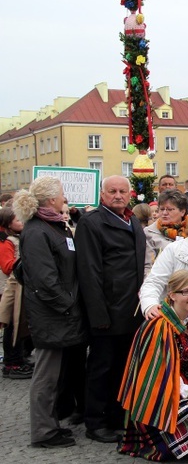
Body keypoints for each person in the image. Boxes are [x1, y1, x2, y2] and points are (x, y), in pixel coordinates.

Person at [118, 270, 188, 460]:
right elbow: (158, 372)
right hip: (159, 388)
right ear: (172, 295)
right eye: (186, 292)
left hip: (187, 379)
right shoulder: (159, 325)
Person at [13, 177, 87, 448]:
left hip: (59, 313)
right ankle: (43, 431)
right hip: (53, 314)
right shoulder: (37, 231)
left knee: (55, 374)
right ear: (52, 199)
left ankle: (51, 423)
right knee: (46, 375)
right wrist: (68, 306)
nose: (64, 198)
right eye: (62, 195)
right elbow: (45, 280)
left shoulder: (50, 226)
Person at [75, 175, 147, 443]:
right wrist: (98, 314)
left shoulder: (132, 219)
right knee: (101, 368)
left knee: (123, 368)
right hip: (107, 310)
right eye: (112, 191)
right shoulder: (91, 223)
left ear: (130, 194)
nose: (118, 195)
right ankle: (95, 421)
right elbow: (89, 271)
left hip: (131, 309)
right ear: (102, 195)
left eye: (122, 191)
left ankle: (117, 416)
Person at [0, 208, 32, 380]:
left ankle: (19, 359)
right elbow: (6, 266)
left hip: (18, 288)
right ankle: (12, 363)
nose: (22, 221)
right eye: (18, 219)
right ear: (8, 223)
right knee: (12, 327)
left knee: (18, 327)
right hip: (11, 289)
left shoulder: (18, 238)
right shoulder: (6, 241)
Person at [144, 189, 188, 261]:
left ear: (182, 212)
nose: (164, 213)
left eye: (170, 209)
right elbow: (148, 265)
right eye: (161, 209)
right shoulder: (149, 232)